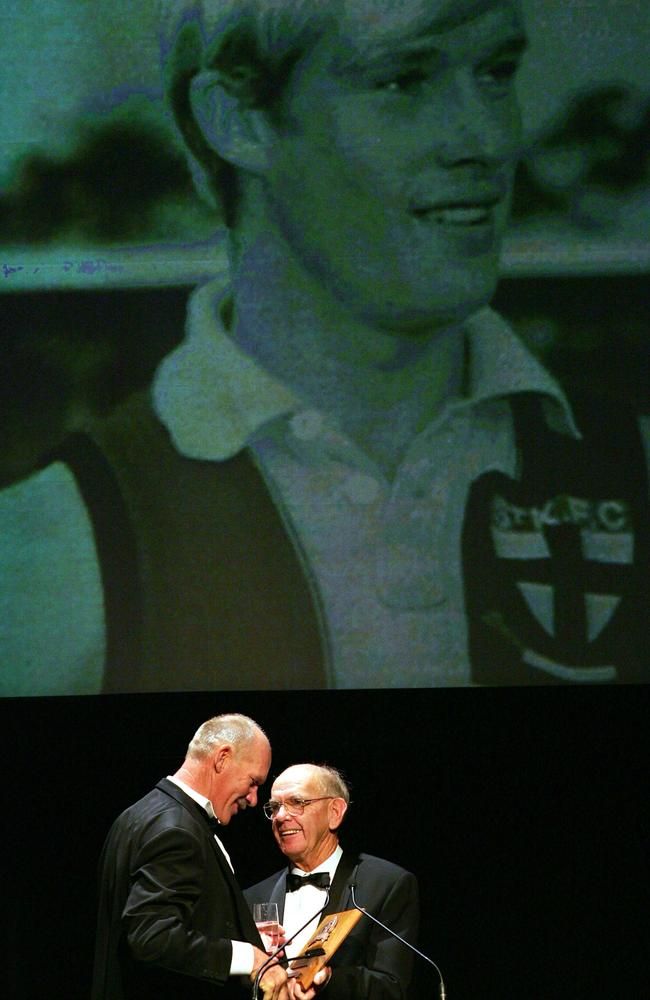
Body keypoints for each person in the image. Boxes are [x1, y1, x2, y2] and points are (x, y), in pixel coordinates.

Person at [1, 0, 648, 694]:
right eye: (404, 80)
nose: (487, 137)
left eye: (496, 72)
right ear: (237, 120)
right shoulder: (58, 542)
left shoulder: (632, 470)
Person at [92, 713, 289, 1000]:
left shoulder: (138, 815)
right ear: (222, 758)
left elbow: (148, 919)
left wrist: (240, 930)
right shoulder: (177, 829)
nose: (253, 799)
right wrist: (250, 957)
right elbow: (152, 937)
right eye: (253, 782)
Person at [244, 764, 419, 1000]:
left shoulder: (386, 884)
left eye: (297, 802)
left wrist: (328, 981)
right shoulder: (252, 898)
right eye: (275, 807)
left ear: (335, 812)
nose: (281, 816)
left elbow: (390, 987)